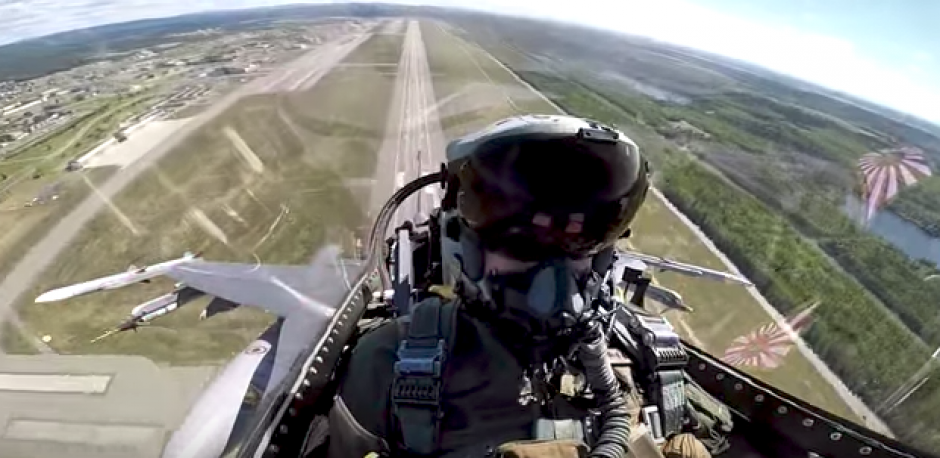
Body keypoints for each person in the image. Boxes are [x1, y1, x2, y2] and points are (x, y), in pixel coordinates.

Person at [326, 114, 653, 458]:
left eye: (580, 240)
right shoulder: (388, 362)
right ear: (464, 241)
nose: (551, 268)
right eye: (522, 242)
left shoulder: (636, 353)